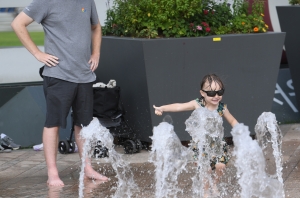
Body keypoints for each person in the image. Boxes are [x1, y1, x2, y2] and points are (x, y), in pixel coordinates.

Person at [11, 0, 108, 186]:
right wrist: (38, 54)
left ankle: (87, 168)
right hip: (58, 75)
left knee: (83, 125)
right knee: (53, 123)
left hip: (84, 75)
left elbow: (96, 27)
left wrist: (96, 54)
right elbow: (17, 23)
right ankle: (52, 174)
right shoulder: (46, 1)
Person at [153, 74, 238, 196]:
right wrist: (162, 108)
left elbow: (232, 121)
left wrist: (241, 132)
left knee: (220, 167)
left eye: (220, 92)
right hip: (201, 145)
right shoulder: (197, 104)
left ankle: (214, 184)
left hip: (218, 144)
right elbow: (179, 106)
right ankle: (205, 191)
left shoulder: (222, 108)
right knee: (206, 169)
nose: (216, 96)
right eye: (211, 93)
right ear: (202, 93)